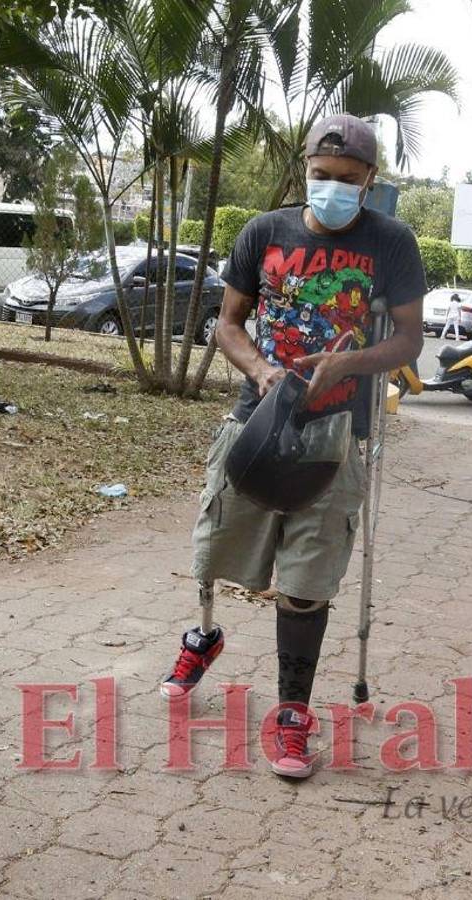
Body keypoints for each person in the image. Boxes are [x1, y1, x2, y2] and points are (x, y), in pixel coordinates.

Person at [160, 113, 427, 779]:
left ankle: (291, 715)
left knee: (306, 584)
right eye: (320, 176)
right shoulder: (263, 232)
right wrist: (261, 370)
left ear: (369, 181)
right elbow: (228, 323)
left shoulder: (391, 242)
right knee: (213, 551)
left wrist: (350, 364)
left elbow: (409, 341)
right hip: (256, 420)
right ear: (305, 170)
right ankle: (204, 636)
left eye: (347, 179)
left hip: (335, 437)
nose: (332, 188)